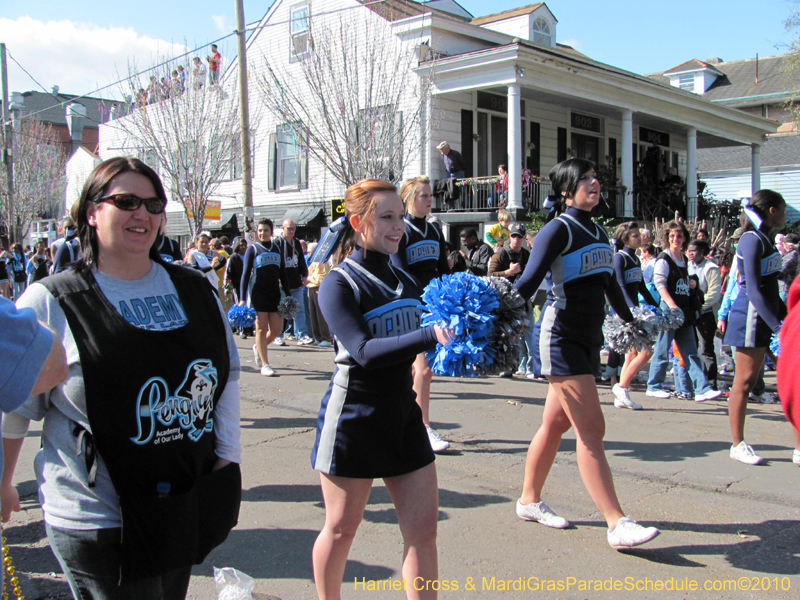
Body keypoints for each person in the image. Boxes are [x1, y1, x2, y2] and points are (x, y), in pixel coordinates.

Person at [1, 156, 241, 599]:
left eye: (153, 205)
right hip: (97, 515)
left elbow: (226, 378)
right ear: (92, 212)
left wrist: (228, 461)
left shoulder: (195, 287)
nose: (143, 214)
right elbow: (14, 407)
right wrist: (1, 481)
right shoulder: (52, 299)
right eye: (126, 201)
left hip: (181, 502)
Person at [310, 179, 453, 600]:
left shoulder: (403, 274)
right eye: (387, 218)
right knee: (340, 529)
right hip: (354, 416)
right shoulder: (339, 283)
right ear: (358, 222)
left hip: (402, 416)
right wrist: (429, 336)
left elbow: (430, 329)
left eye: (402, 217)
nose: (399, 227)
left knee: (424, 533)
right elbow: (364, 352)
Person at [512, 158, 659, 548]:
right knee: (591, 429)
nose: (595, 183)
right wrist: (495, 311)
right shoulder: (556, 230)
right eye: (585, 179)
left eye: (596, 178)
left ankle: (528, 500)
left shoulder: (598, 230)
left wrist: (632, 322)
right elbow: (527, 283)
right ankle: (617, 523)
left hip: (587, 338)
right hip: (560, 338)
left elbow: (610, 283)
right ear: (565, 190)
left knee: (555, 425)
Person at [721, 190, 786, 465]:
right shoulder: (750, 239)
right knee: (744, 382)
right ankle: (737, 444)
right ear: (771, 210)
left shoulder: (766, 240)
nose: (785, 214)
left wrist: (787, 317)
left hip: (765, 317)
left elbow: (772, 290)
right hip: (749, 317)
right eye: (783, 209)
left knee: (778, 378)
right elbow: (752, 289)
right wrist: (778, 326)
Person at [391, 175, 452, 453]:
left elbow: (443, 271)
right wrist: (422, 301)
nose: (429, 200)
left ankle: (409, 423)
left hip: (432, 308)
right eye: (423, 196)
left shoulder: (435, 231)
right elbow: (399, 273)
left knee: (420, 370)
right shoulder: (401, 230)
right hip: (410, 306)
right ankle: (422, 427)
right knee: (422, 371)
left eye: (430, 196)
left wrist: (452, 297)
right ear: (409, 199)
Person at [645, 220, 721, 402]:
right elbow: (660, 284)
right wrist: (672, 306)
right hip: (670, 310)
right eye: (671, 236)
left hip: (684, 310)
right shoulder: (664, 258)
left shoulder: (684, 259)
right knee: (662, 349)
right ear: (667, 238)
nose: (675, 239)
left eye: (679, 236)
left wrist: (691, 284)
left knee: (691, 351)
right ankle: (653, 385)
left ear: (685, 238)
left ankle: (702, 388)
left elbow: (681, 284)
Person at [610, 222, 658, 410]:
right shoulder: (619, 258)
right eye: (635, 236)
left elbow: (641, 287)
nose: (640, 238)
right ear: (625, 239)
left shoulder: (636, 260)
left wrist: (656, 305)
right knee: (646, 352)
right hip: (624, 312)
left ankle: (623, 394)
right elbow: (620, 285)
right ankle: (621, 387)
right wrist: (631, 310)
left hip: (635, 311)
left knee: (632, 352)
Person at [239, 218, 291, 376]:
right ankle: (265, 364)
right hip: (258, 293)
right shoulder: (253, 249)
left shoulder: (276, 248)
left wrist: (288, 295)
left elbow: (283, 273)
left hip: (274, 293)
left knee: (276, 330)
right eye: (260, 230)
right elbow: (245, 274)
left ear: (271, 231)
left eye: (265, 230)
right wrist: (242, 298)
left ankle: (258, 347)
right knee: (261, 328)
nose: (262, 233)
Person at [488, 222, 530, 378]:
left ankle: (523, 365)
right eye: (513, 236)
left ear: (524, 238)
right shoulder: (500, 254)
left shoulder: (526, 255)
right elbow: (489, 275)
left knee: (523, 332)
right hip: (502, 299)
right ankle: (504, 366)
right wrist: (508, 272)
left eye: (519, 237)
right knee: (504, 334)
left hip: (521, 298)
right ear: (509, 237)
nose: (516, 240)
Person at [687, 239, 723, 390]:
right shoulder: (687, 266)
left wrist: (699, 307)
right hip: (689, 313)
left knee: (706, 349)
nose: (690, 253)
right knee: (690, 349)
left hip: (705, 314)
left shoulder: (711, 268)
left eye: (694, 250)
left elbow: (714, 294)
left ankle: (711, 382)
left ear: (702, 252)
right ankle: (695, 382)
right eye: (689, 250)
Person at [276, 219, 312, 346]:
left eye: (293, 229)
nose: (291, 231)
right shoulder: (277, 243)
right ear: (282, 228)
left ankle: (302, 335)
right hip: (281, 283)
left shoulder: (296, 242)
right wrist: (277, 278)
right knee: (282, 310)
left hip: (295, 281)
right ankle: (278, 335)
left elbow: (301, 260)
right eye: (288, 228)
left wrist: (305, 275)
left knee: (299, 308)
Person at [306, 242, 332, 347]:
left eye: (309, 251)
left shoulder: (322, 261)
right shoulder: (313, 262)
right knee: (313, 314)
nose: (308, 253)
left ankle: (325, 337)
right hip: (311, 288)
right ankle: (317, 337)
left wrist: (308, 279)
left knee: (320, 314)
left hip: (318, 288)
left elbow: (322, 277)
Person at [225, 237, 248, 338]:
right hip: (237, 285)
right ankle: (241, 329)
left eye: (245, 245)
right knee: (240, 306)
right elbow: (228, 274)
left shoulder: (248, 256)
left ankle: (248, 328)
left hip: (248, 285)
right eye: (241, 245)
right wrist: (228, 287)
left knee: (248, 306)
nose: (243, 247)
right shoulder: (233, 258)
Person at [779, 233, 799, 303]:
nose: (783, 244)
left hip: (785, 289)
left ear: (789, 245)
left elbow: (780, 271)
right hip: (790, 289)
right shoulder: (796, 254)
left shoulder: (791, 255)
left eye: (784, 242)